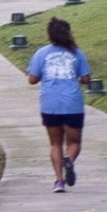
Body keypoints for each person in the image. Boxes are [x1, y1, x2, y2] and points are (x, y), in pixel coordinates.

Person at [29, 17, 92, 190]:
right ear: (68, 33)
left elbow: (32, 79)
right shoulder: (77, 53)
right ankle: (69, 160)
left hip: (49, 103)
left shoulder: (41, 53)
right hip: (72, 104)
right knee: (74, 143)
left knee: (55, 143)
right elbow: (86, 78)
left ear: (50, 35)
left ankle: (59, 181)